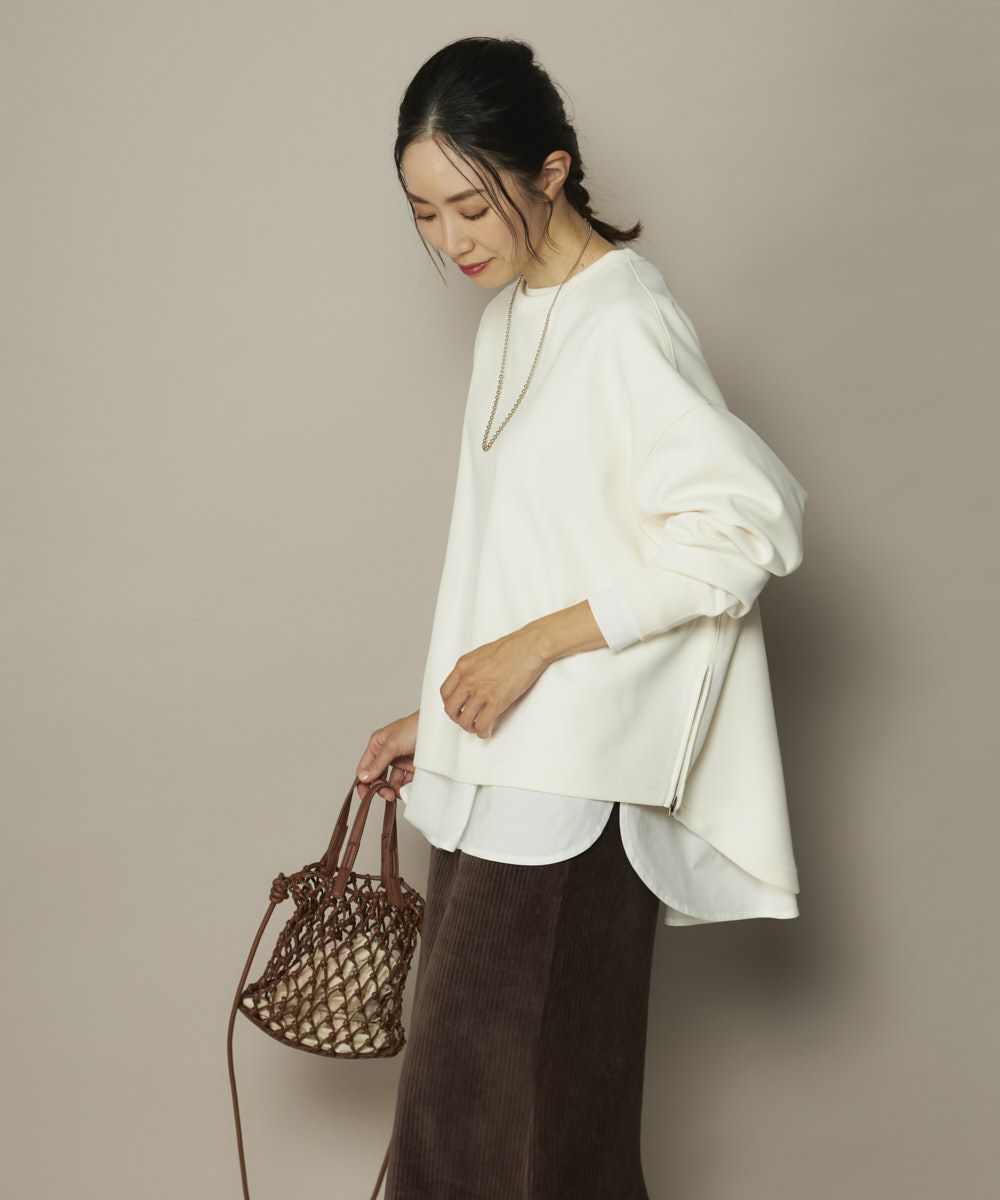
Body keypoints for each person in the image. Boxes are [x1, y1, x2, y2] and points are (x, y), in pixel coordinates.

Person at [354, 35, 809, 1200]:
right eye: (423, 214)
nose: (450, 240)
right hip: (509, 766)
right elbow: (535, 548)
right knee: (506, 1126)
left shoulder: (623, 319)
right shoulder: (513, 313)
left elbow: (749, 524)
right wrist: (441, 715)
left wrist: (531, 650)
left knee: (508, 1133)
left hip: (577, 786)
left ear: (550, 171)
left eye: (471, 206)